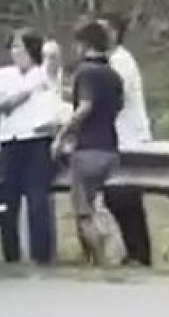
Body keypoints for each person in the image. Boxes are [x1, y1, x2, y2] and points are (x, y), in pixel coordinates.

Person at [53, 19, 124, 265]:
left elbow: (84, 107)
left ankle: (103, 257)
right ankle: (111, 247)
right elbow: (118, 107)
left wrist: (62, 135)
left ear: (84, 44)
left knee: (84, 211)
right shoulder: (114, 75)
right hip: (110, 149)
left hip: (87, 149)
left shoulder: (86, 72)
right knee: (98, 203)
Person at [0, 28, 61, 265]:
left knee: (37, 200)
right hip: (10, 140)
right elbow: (2, 104)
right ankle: (11, 255)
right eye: (12, 48)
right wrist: (28, 91)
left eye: (20, 47)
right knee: (8, 202)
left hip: (36, 140)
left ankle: (41, 255)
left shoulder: (44, 73)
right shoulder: (4, 74)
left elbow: (53, 59)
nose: (15, 53)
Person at [99, 12, 154, 266]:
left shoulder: (120, 61)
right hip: (117, 138)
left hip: (128, 137)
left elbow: (115, 98)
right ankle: (134, 252)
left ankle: (139, 253)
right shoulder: (109, 61)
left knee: (124, 198)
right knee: (117, 198)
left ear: (114, 33)